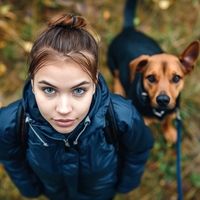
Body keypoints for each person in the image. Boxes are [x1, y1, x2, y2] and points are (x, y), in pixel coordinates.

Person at [0, 13, 154, 200]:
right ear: (32, 82)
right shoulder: (10, 123)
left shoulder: (122, 116)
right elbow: (11, 158)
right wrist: (29, 189)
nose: (64, 109)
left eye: (78, 90)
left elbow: (138, 150)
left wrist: (126, 183)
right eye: (49, 90)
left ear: (95, 80)